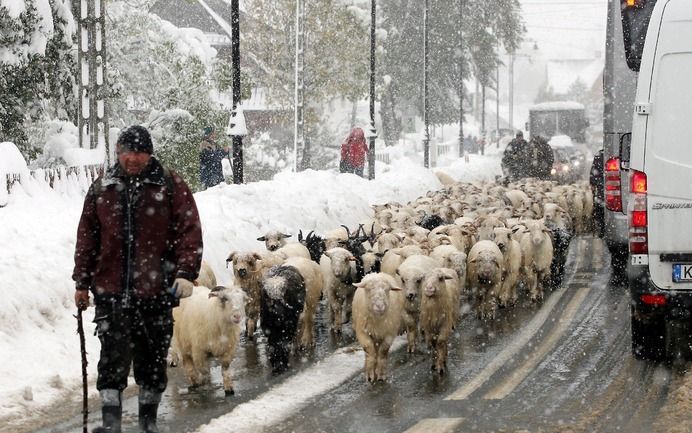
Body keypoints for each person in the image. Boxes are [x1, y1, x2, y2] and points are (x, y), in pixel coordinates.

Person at [73, 125, 203, 433]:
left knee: (152, 360)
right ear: (118, 152)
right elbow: (87, 238)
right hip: (111, 293)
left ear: (149, 154)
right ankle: (111, 425)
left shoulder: (169, 185)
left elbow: (190, 232)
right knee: (111, 362)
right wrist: (81, 282)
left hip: (157, 293)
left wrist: (185, 274)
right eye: (127, 152)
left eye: (139, 153)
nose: (133, 159)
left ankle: (148, 424)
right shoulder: (102, 187)